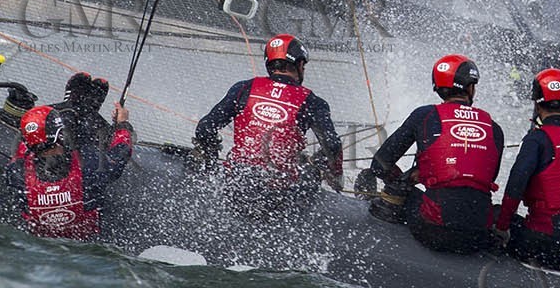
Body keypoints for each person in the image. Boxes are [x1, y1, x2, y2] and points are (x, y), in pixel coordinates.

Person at [360, 54, 504, 255]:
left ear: (438, 88)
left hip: (434, 232)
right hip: (479, 235)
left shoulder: (424, 115)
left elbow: (380, 165)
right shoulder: (494, 128)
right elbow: (482, 179)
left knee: (400, 191)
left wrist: (403, 180)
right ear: (470, 87)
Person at [191, 34, 344, 195]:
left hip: (235, 184)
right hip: (280, 194)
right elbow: (332, 145)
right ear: (299, 64)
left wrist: (210, 158)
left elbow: (205, 128)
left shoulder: (244, 88)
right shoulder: (313, 102)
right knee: (308, 168)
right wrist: (335, 175)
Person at [494, 68, 560, 268]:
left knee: (494, 214)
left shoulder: (537, 139)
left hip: (541, 241)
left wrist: (502, 227)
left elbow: (516, 184)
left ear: (537, 103)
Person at [6, 102, 133, 240]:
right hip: (88, 242)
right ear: (59, 135)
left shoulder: (16, 173)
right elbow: (120, 154)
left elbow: (25, 150)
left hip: (41, 244)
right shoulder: (92, 165)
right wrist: (122, 125)